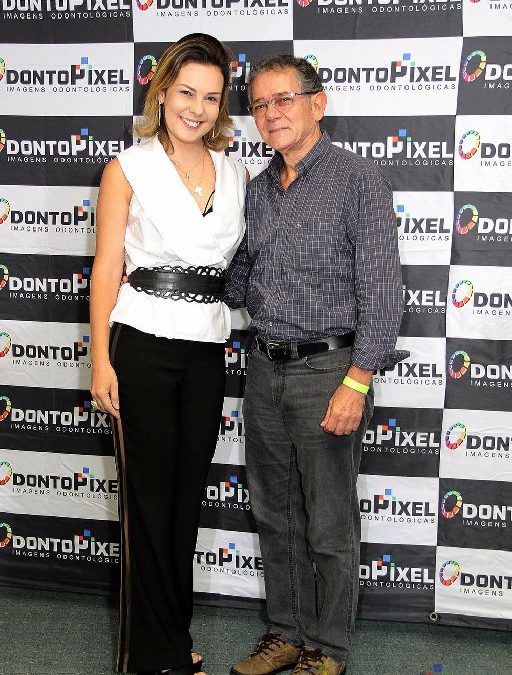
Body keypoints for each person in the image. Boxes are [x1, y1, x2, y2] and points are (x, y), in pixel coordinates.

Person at [224, 54, 408, 675]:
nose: (270, 114)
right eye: (259, 104)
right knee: (275, 515)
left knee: (328, 521)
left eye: (284, 99)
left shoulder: (358, 179)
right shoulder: (256, 190)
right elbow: (239, 280)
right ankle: (285, 633)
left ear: (317, 103)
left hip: (329, 372)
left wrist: (358, 380)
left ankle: (327, 648)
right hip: (263, 368)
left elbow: (382, 290)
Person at [90, 34, 246, 675]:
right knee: (147, 503)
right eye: (186, 92)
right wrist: (101, 360)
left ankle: (172, 641)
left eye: (210, 97)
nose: (197, 108)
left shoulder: (235, 171)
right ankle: (149, 656)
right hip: (142, 342)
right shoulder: (128, 168)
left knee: (184, 503)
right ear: (160, 93)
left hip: (206, 347)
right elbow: (107, 268)